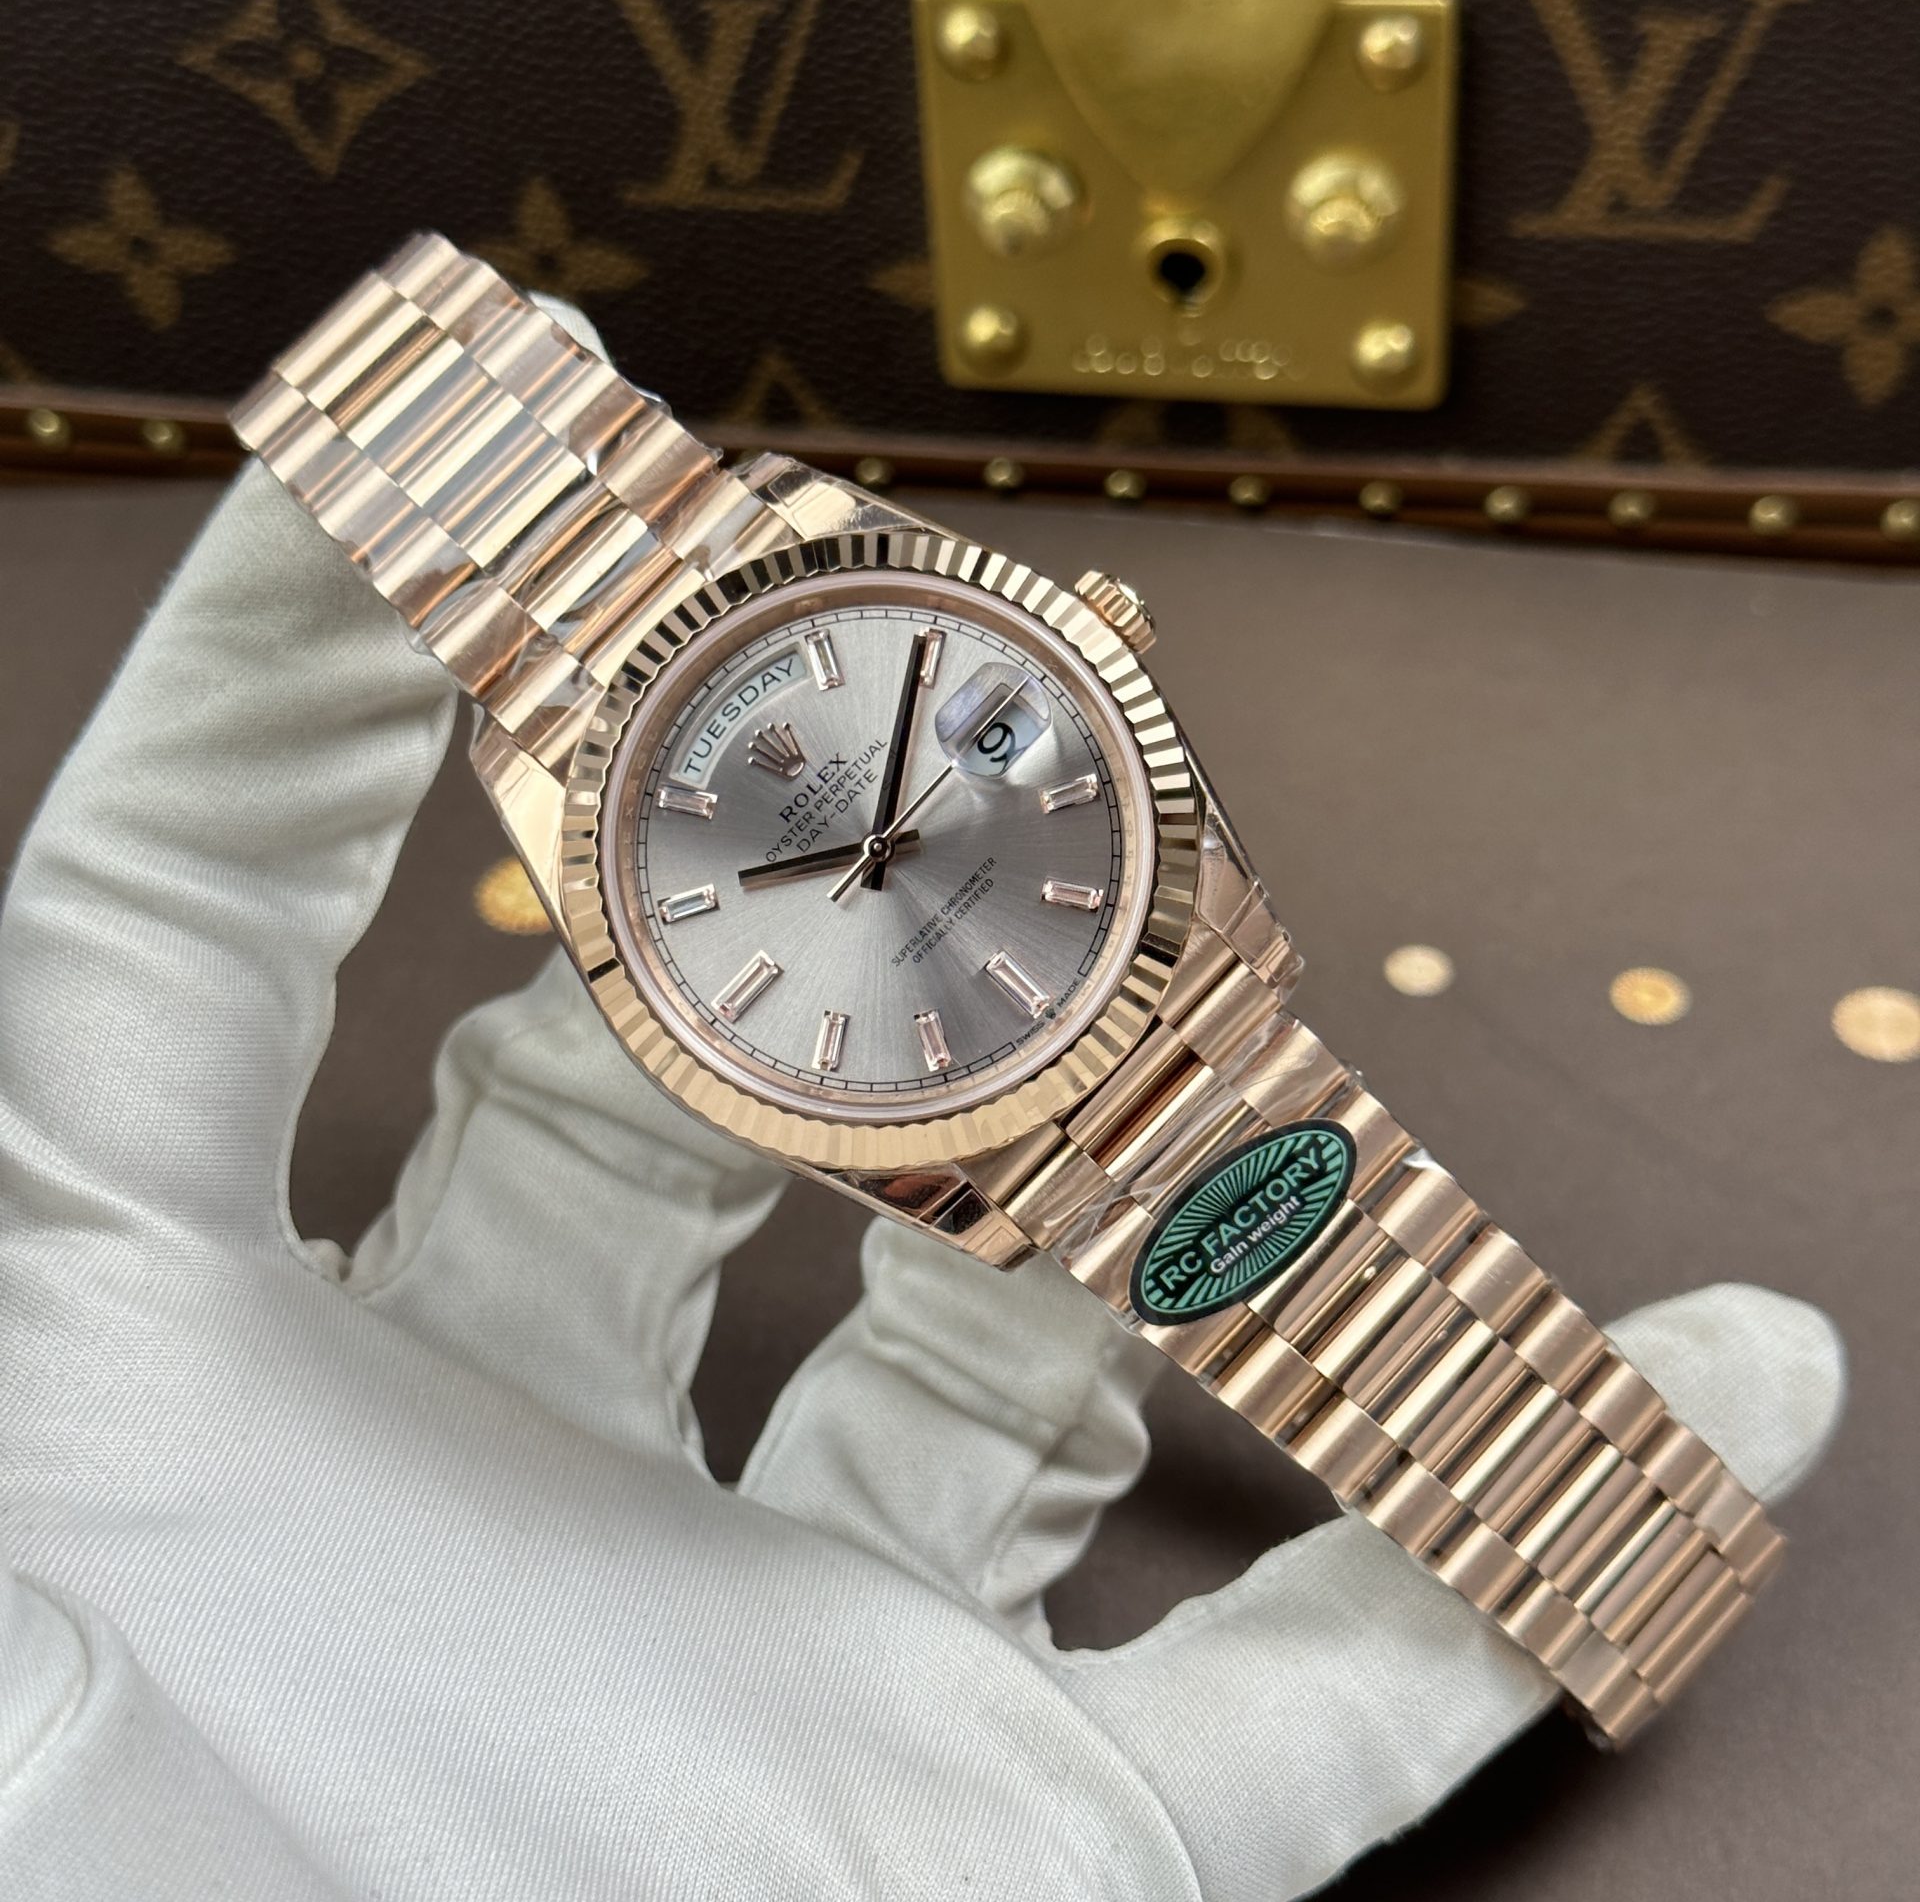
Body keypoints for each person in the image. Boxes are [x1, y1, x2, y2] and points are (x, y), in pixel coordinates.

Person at [0, 308, 1843, 1901]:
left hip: (1114, 976)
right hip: (961, 1007)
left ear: (1078, 642)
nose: (875, 853)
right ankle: (1603, 1540)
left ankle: (1594, 1522)